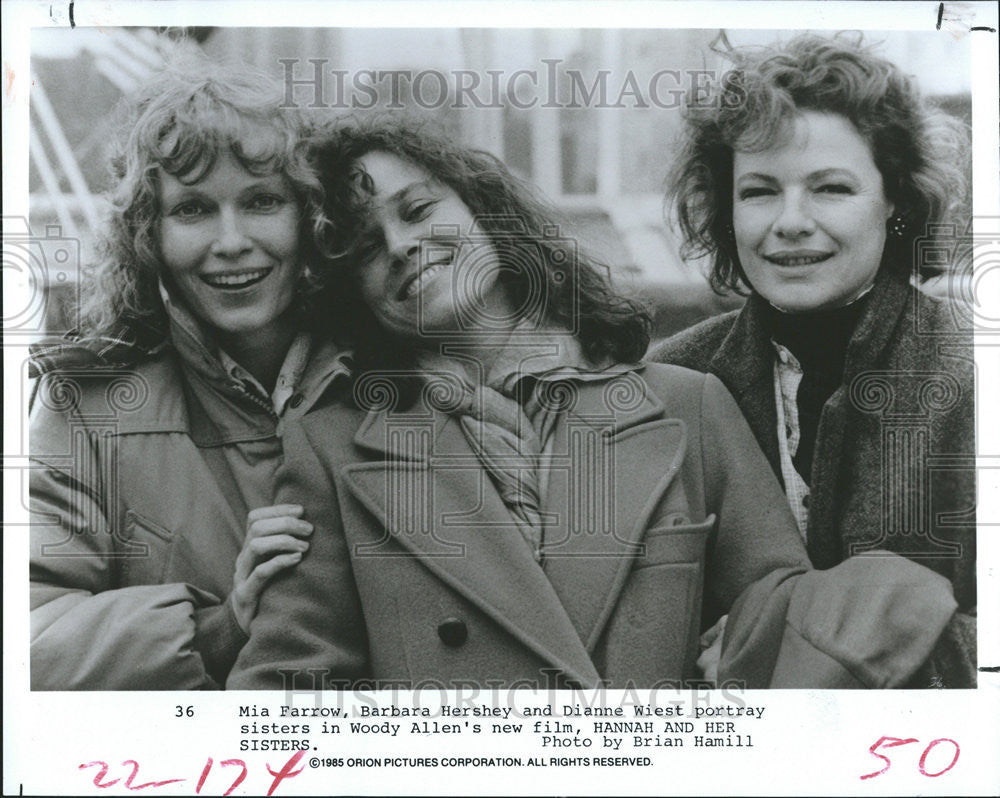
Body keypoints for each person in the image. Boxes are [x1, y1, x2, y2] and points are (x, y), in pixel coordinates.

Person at [228, 118, 957, 691]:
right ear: (347, 289)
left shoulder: (688, 406)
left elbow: (778, 637)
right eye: (360, 247)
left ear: (483, 209)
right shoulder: (333, 444)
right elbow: (288, 695)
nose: (401, 244)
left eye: (418, 208)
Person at [649, 33, 976, 686]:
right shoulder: (673, 380)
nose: (790, 221)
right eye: (759, 191)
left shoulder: (975, 373)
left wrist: (785, 641)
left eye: (830, 189)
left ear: (896, 203)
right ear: (724, 208)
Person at [28, 60, 353, 689]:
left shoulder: (388, 377)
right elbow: (29, 644)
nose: (231, 241)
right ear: (148, 236)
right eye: (194, 209)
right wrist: (220, 627)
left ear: (310, 218)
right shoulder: (87, 409)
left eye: (261, 201)